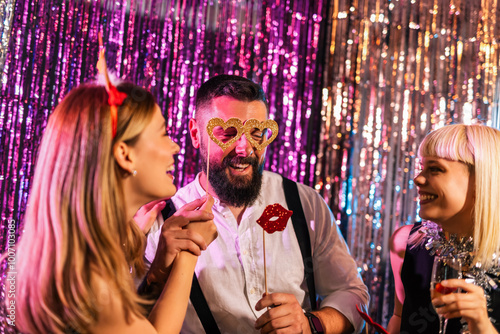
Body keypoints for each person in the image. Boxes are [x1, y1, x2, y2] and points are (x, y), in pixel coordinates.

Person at [140, 74, 369, 334]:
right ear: (195, 133)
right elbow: (133, 320)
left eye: (257, 133)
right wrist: (158, 271)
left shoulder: (304, 204)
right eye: (227, 133)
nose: (244, 149)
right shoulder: (162, 220)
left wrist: (311, 324)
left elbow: (352, 293)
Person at [11, 73, 218, 333]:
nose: (175, 147)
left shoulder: (75, 250)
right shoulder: (87, 279)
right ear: (125, 154)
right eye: (163, 134)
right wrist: (189, 253)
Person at [387, 124, 500, 334]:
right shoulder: (407, 242)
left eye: (435, 169)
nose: (418, 179)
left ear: (480, 181)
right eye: (421, 167)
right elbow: (399, 319)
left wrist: (482, 327)